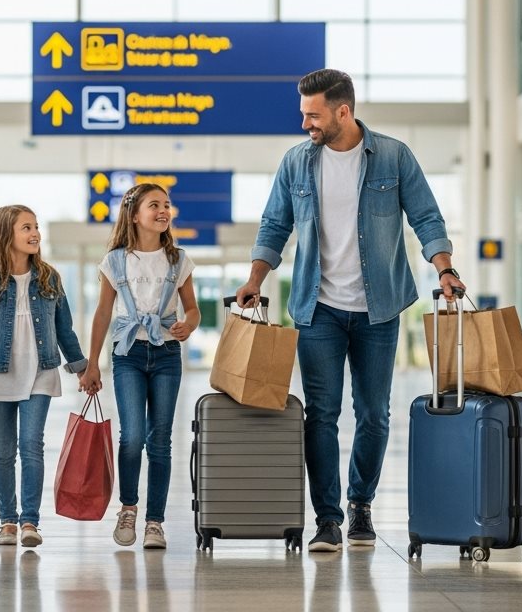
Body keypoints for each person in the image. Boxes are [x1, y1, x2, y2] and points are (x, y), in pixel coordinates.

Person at [234, 68, 466, 553]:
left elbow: (425, 215)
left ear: (344, 111)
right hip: (316, 308)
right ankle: (328, 519)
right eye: (304, 115)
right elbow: (274, 225)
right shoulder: (297, 162)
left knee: (374, 414)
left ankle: (361, 505)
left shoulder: (394, 156)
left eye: (313, 115)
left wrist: (443, 268)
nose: (305, 125)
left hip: (378, 309)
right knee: (321, 414)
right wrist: (255, 280)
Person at [0, 205, 99, 549]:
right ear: (6, 234)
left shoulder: (49, 279)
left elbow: (65, 330)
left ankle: (30, 520)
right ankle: (7, 521)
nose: (35, 233)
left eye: (36, 227)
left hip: (41, 372)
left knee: (31, 445)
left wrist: (82, 367)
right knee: (3, 450)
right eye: (26, 228)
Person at [81, 183, 200, 550]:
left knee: (160, 441)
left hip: (166, 356)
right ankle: (129, 507)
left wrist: (190, 324)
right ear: (135, 215)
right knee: (132, 437)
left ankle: (155, 522)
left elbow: (192, 308)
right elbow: (103, 313)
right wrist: (93, 364)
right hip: (127, 354)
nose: (164, 210)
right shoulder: (115, 260)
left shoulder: (179, 260)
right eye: (155, 205)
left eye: (167, 204)